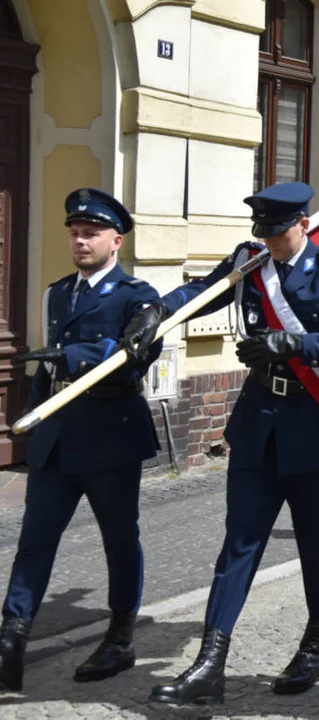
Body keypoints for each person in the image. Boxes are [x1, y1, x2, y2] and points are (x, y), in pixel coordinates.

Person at [123, 182, 319, 705]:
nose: (271, 241)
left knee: (316, 546)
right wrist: (156, 310)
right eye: (263, 232)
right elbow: (203, 293)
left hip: (313, 429)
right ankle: (209, 664)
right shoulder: (251, 261)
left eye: (280, 232)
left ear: (303, 225)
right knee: (238, 544)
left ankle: (313, 645)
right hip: (258, 426)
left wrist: (297, 343)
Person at [0, 189, 160, 692]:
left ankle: (120, 637)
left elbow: (136, 357)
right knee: (35, 540)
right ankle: (11, 641)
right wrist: (31, 420)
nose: (80, 241)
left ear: (116, 240)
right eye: (74, 233)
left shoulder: (140, 296)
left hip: (110, 435)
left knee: (119, 538)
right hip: (57, 436)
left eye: (90, 233)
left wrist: (78, 357)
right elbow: (47, 373)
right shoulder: (57, 291)